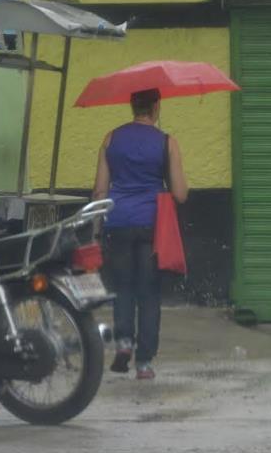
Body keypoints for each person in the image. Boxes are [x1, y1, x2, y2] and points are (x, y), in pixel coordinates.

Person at [93, 88, 188, 380]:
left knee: (123, 287)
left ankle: (123, 343)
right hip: (151, 225)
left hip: (117, 221)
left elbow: (99, 190)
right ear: (156, 106)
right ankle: (144, 363)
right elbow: (181, 194)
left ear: (131, 105)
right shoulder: (167, 142)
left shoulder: (110, 138)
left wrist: (96, 230)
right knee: (148, 293)